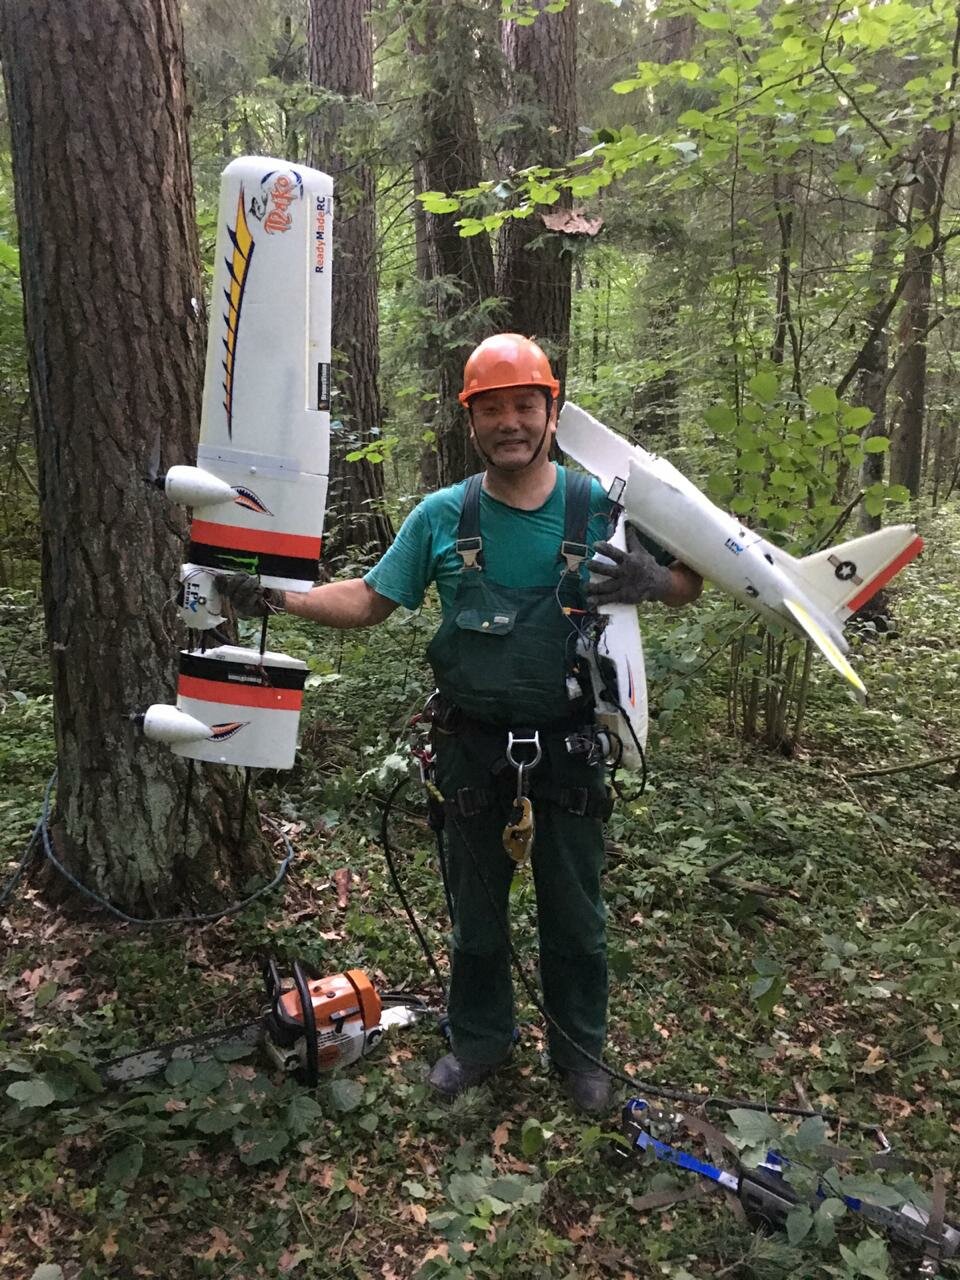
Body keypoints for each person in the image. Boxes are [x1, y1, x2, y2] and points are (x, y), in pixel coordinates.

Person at [219, 333, 702, 1113]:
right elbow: (370, 601)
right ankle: (479, 1041)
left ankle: (581, 1056)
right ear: (470, 420)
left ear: (550, 410)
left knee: (575, 917)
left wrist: (652, 579)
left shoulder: (600, 504)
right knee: (476, 918)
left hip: (573, 746)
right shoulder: (444, 516)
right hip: (471, 749)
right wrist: (279, 596)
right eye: (493, 409)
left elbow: (694, 577)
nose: (510, 422)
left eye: (525, 405)